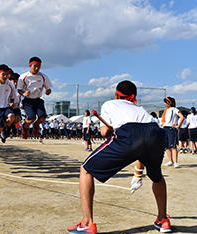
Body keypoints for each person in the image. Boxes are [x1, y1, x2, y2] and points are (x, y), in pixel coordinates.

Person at [67, 80, 171, 234]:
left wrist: (109, 130)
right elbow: (142, 143)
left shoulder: (109, 104)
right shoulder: (139, 109)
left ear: (116, 94)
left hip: (129, 133)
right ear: (133, 97)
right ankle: (163, 220)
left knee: (86, 169)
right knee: (157, 177)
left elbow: (103, 133)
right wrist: (138, 173)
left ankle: (87, 223)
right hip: (155, 132)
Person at [17, 57, 52, 139]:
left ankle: (36, 126)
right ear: (30, 65)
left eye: (39, 66)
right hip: (28, 101)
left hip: (38, 100)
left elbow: (49, 88)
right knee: (31, 118)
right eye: (35, 66)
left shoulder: (43, 76)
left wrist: (48, 91)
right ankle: (25, 127)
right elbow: (19, 90)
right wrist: (23, 93)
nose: (37, 68)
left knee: (42, 118)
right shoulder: (23, 77)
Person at [161, 97, 184, 168]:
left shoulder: (175, 109)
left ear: (169, 102)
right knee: (166, 146)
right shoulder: (165, 110)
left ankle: (175, 162)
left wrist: (178, 126)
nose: (164, 103)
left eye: (165, 102)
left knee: (173, 146)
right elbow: (164, 121)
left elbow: (182, 117)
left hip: (171, 129)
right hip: (165, 128)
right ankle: (170, 161)